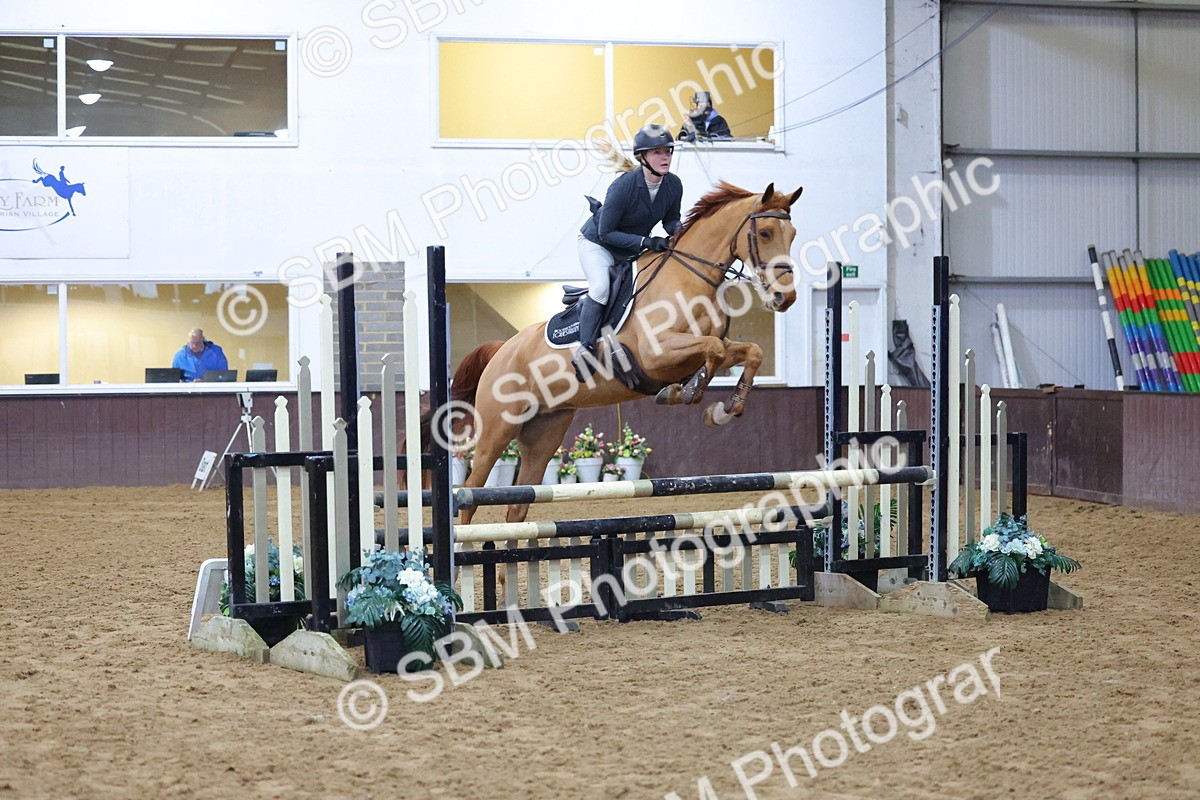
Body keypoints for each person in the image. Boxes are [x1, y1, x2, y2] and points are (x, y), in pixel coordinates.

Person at [575, 123, 683, 381]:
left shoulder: (673, 185)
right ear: (642, 157)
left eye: (667, 151)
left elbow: (671, 220)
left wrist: (682, 232)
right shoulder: (623, 187)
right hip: (598, 244)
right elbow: (606, 233)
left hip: (629, 248)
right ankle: (585, 348)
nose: (665, 157)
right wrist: (647, 242)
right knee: (601, 287)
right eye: (657, 152)